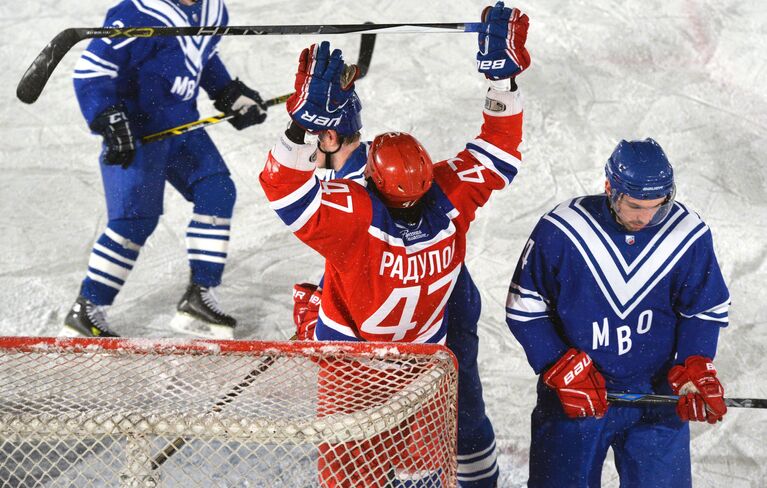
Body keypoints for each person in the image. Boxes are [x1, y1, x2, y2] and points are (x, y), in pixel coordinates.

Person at [263, 3, 529, 486]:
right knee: (443, 440)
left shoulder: (358, 212)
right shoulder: (447, 196)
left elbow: (285, 189)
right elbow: (498, 149)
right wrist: (502, 83)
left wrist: (300, 128)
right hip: (426, 356)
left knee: (354, 471)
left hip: (354, 366)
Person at [505, 138, 730, 487]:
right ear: (610, 189)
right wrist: (556, 363)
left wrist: (695, 363)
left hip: (655, 393)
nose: (647, 217)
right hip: (577, 390)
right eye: (636, 206)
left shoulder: (688, 234)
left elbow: (703, 308)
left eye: (658, 205)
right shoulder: (562, 230)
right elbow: (525, 305)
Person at [63, 0, 268, 339]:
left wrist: (228, 92)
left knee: (216, 190)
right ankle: (85, 309)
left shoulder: (213, 11)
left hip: (181, 125)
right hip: (139, 131)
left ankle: (198, 297)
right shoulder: (134, 13)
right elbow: (92, 71)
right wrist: (108, 116)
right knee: (134, 221)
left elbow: (201, 53)